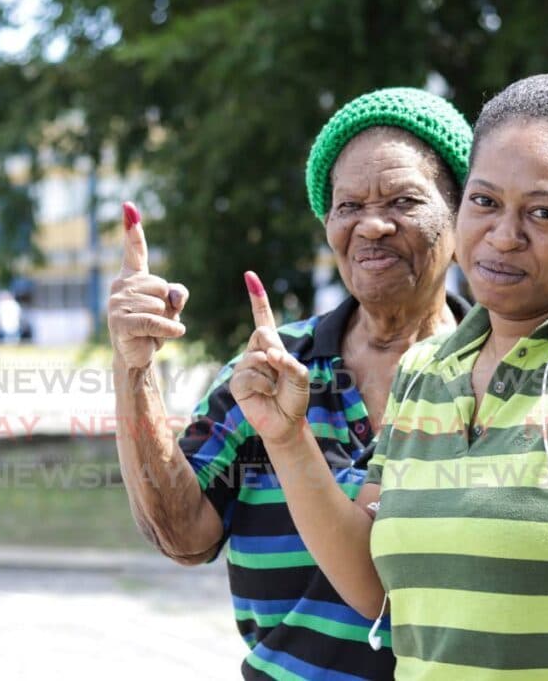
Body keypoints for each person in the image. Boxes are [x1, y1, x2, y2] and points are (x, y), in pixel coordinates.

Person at [231, 74, 548, 680]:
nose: (504, 236)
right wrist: (287, 440)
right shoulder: (426, 370)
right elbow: (377, 590)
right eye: (485, 201)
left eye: (544, 213)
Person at [108, 87, 473, 679]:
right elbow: (183, 535)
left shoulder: (503, 370)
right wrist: (134, 367)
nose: (372, 225)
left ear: (462, 216)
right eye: (347, 206)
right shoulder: (266, 371)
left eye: (404, 201)